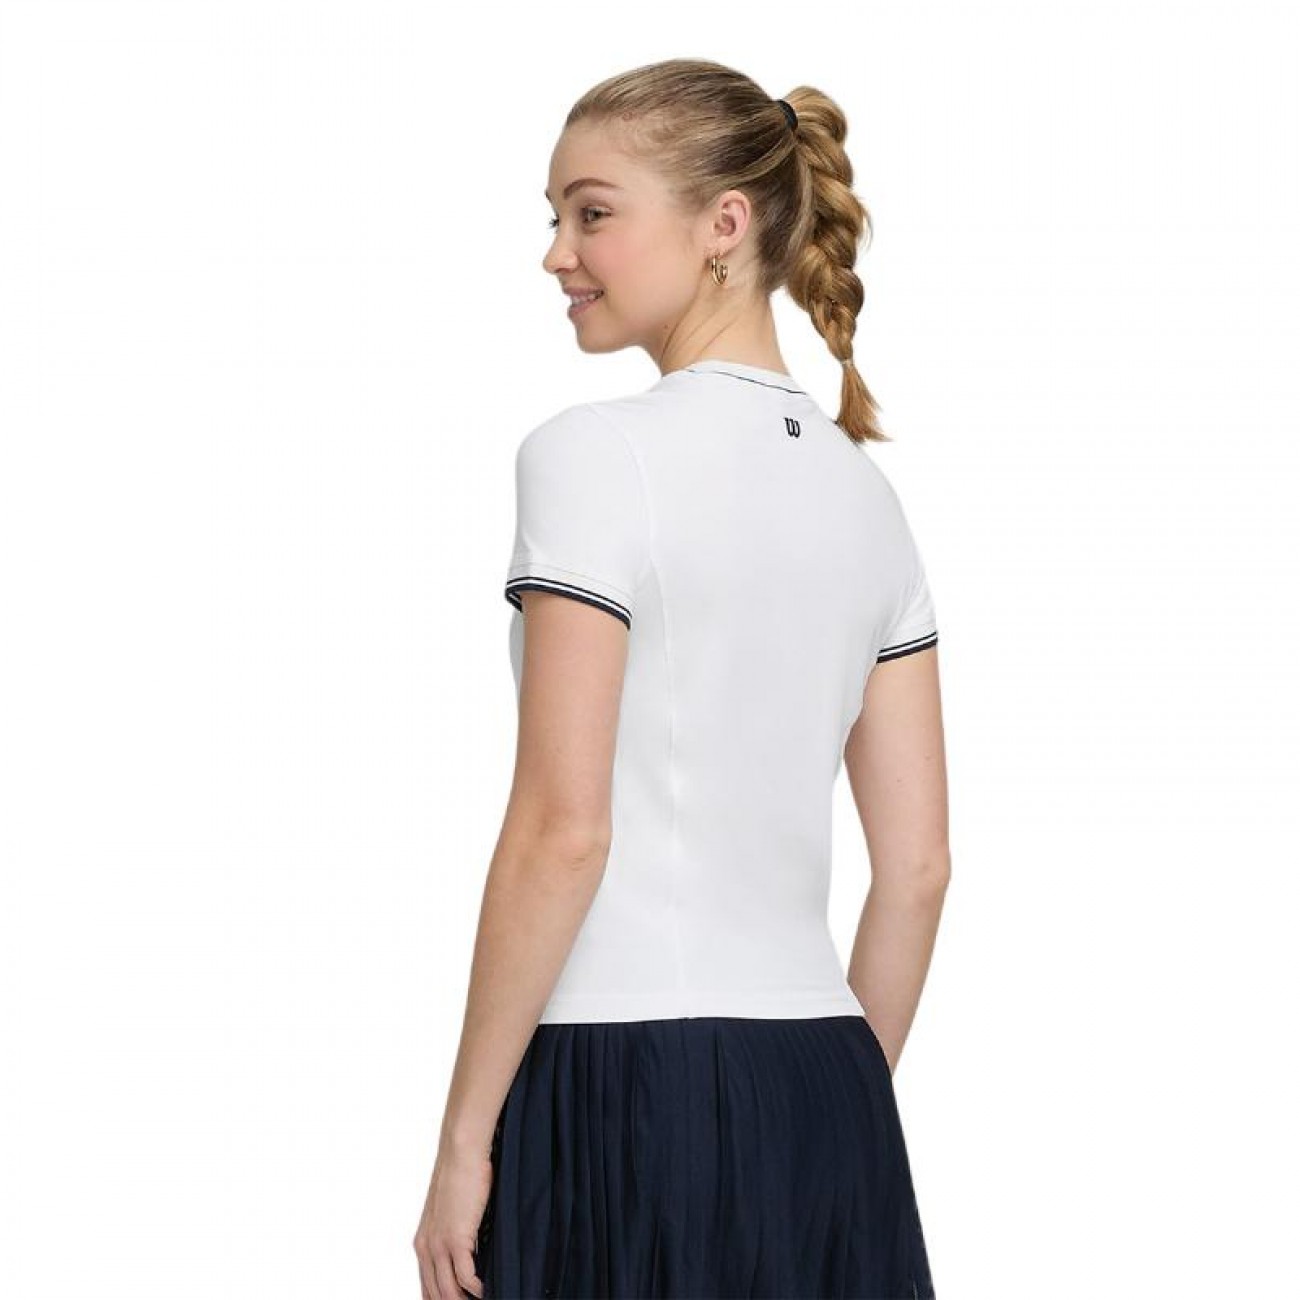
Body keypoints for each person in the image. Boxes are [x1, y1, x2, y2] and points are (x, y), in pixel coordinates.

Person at [414, 57, 949, 1300]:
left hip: (618, 1078)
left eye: (592, 212)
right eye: (556, 217)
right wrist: (833, 1117)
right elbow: (917, 869)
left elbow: (563, 830)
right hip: (826, 1085)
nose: (557, 253)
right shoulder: (866, 496)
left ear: (725, 223)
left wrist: (462, 1140)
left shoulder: (592, 456)